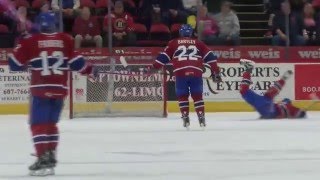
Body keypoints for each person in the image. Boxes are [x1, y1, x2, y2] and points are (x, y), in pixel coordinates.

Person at [8, 13, 96, 176]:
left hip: (41, 88)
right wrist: (91, 70)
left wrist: (21, 42)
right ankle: (51, 154)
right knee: (50, 124)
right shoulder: (65, 39)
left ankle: (43, 157)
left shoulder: (30, 41)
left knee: (38, 125)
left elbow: (14, 65)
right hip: (59, 90)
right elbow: (77, 63)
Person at [149, 24, 222, 128]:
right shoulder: (198, 43)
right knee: (197, 96)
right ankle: (201, 117)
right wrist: (216, 72)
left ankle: (185, 117)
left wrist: (154, 67)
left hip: (180, 72)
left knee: (182, 96)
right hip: (196, 72)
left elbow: (163, 57)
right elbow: (211, 58)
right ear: (191, 33)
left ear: (180, 33)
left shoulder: (173, 43)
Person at [239, 59, 306, 119]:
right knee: (267, 94)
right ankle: (249, 69)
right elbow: (297, 112)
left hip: (268, 107)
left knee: (246, 91)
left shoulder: (286, 105)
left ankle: (249, 69)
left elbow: (297, 112)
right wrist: (301, 112)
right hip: (268, 108)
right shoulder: (286, 105)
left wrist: (301, 112)